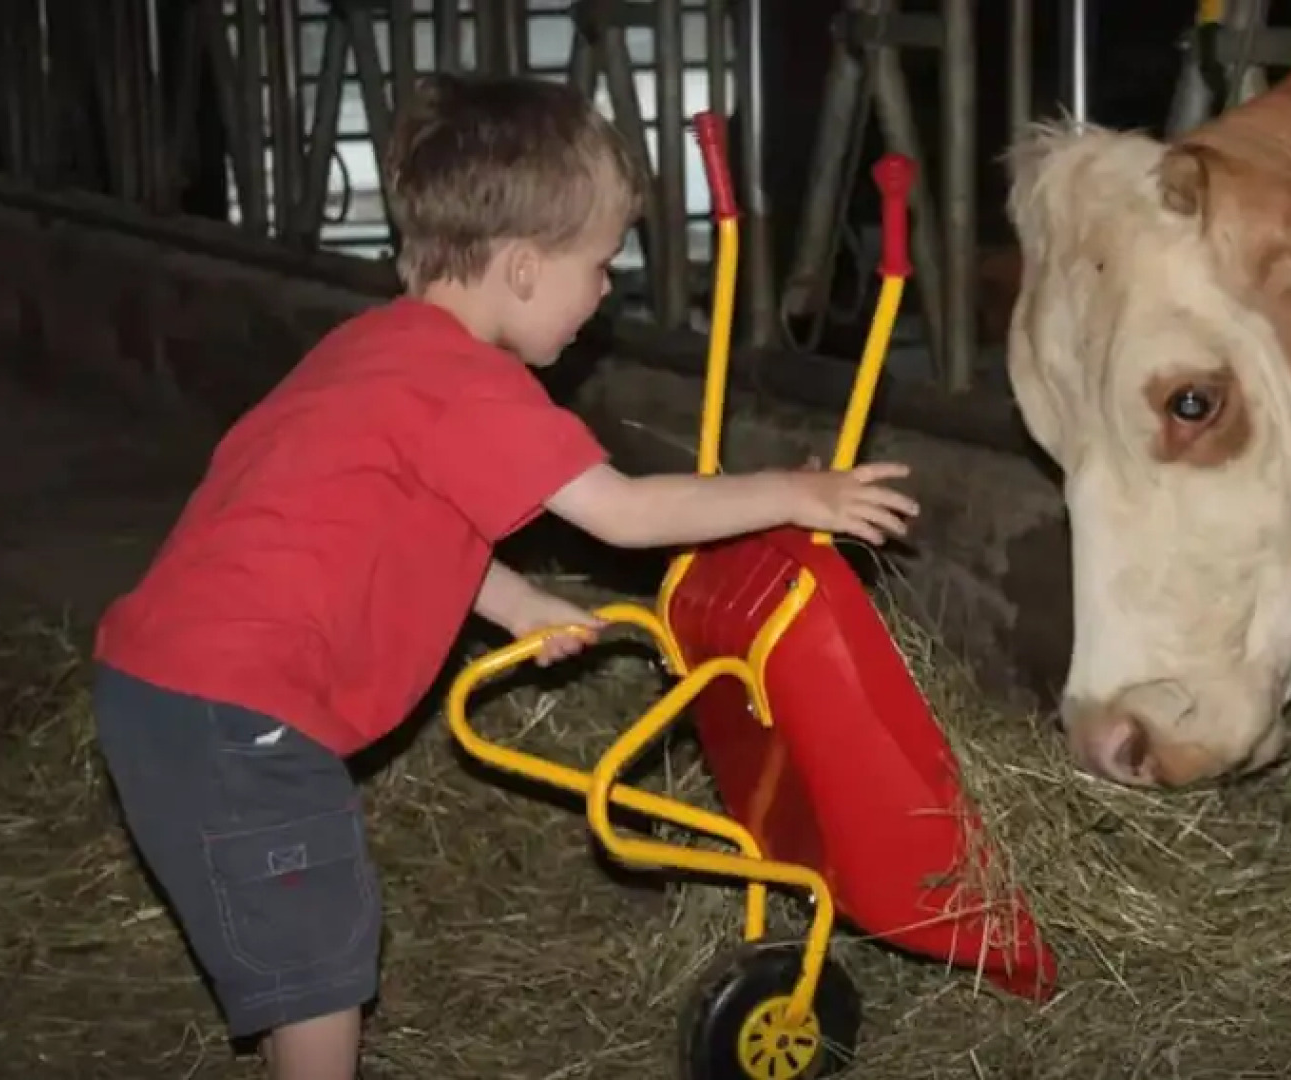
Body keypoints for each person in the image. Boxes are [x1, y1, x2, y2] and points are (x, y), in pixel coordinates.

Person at [89, 72, 919, 1080]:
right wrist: (796, 492)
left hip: (158, 686)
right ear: (523, 268)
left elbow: (406, 519)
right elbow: (625, 512)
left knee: (286, 939)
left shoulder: (378, 348)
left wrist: (517, 603)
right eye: (600, 265)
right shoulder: (471, 387)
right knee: (319, 964)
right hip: (241, 712)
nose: (605, 293)